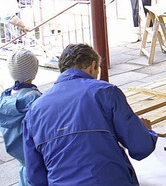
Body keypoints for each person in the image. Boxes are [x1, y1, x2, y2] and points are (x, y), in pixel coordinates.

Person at [23, 44, 157, 185]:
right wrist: (146, 131)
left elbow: (34, 176)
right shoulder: (105, 92)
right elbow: (141, 147)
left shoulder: (33, 111)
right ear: (92, 66)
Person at [0, 49, 42, 186]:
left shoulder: (5, 98)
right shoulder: (34, 99)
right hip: (36, 160)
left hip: (21, 159)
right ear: (34, 71)